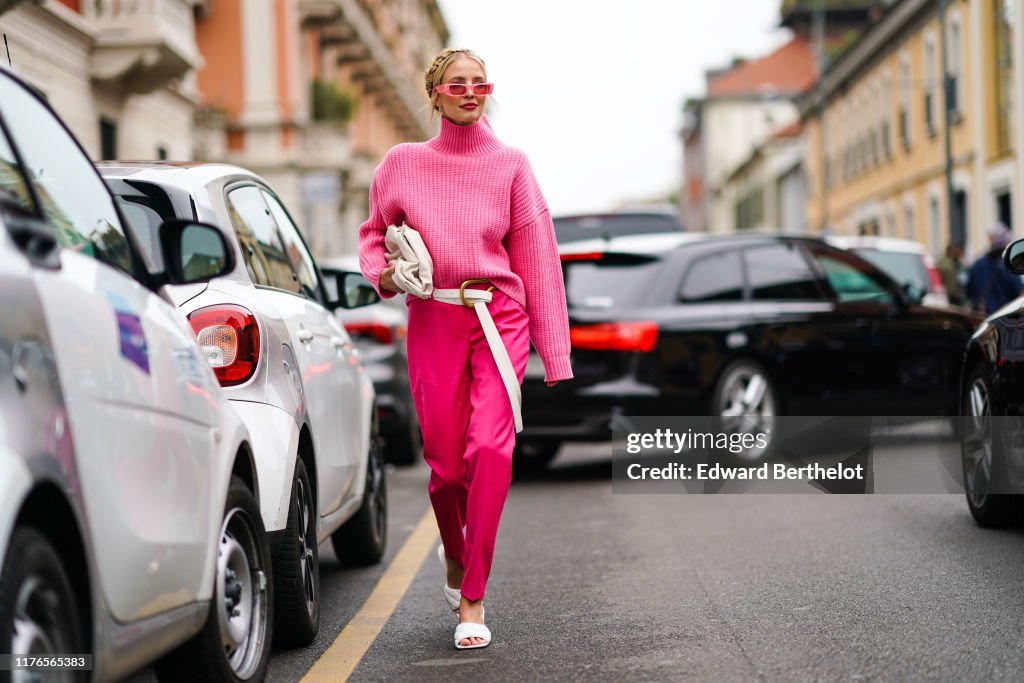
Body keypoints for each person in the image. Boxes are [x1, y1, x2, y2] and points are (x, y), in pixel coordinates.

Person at [357, 48, 572, 649]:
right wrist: (387, 275)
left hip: (498, 317)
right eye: (458, 84)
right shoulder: (402, 163)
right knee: (447, 468)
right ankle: (455, 557)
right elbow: (373, 235)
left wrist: (555, 355)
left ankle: (472, 598)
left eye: (480, 83)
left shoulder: (511, 165)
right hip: (434, 317)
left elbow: (538, 261)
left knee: (490, 451)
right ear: (435, 93)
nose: (471, 92)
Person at [965, 222, 1022, 315]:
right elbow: (1018, 291)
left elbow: (970, 292)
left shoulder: (977, 265)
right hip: (1007, 319)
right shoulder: (1009, 264)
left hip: (985, 320)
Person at [937, 242, 966, 307]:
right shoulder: (945, 263)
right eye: (954, 251)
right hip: (949, 295)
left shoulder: (956, 262)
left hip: (956, 295)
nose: (956, 253)